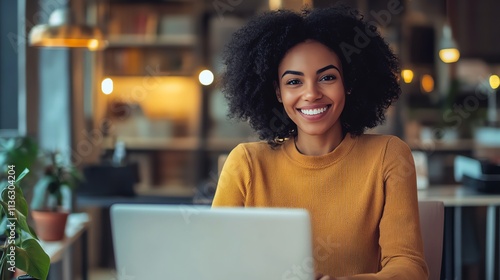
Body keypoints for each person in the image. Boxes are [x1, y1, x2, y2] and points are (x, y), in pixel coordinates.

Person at [211, 5, 428, 280]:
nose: (311, 94)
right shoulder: (246, 163)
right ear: (278, 92)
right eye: (294, 82)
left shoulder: (388, 156)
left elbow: (410, 268)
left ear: (348, 82)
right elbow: (215, 262)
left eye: (327, 77)